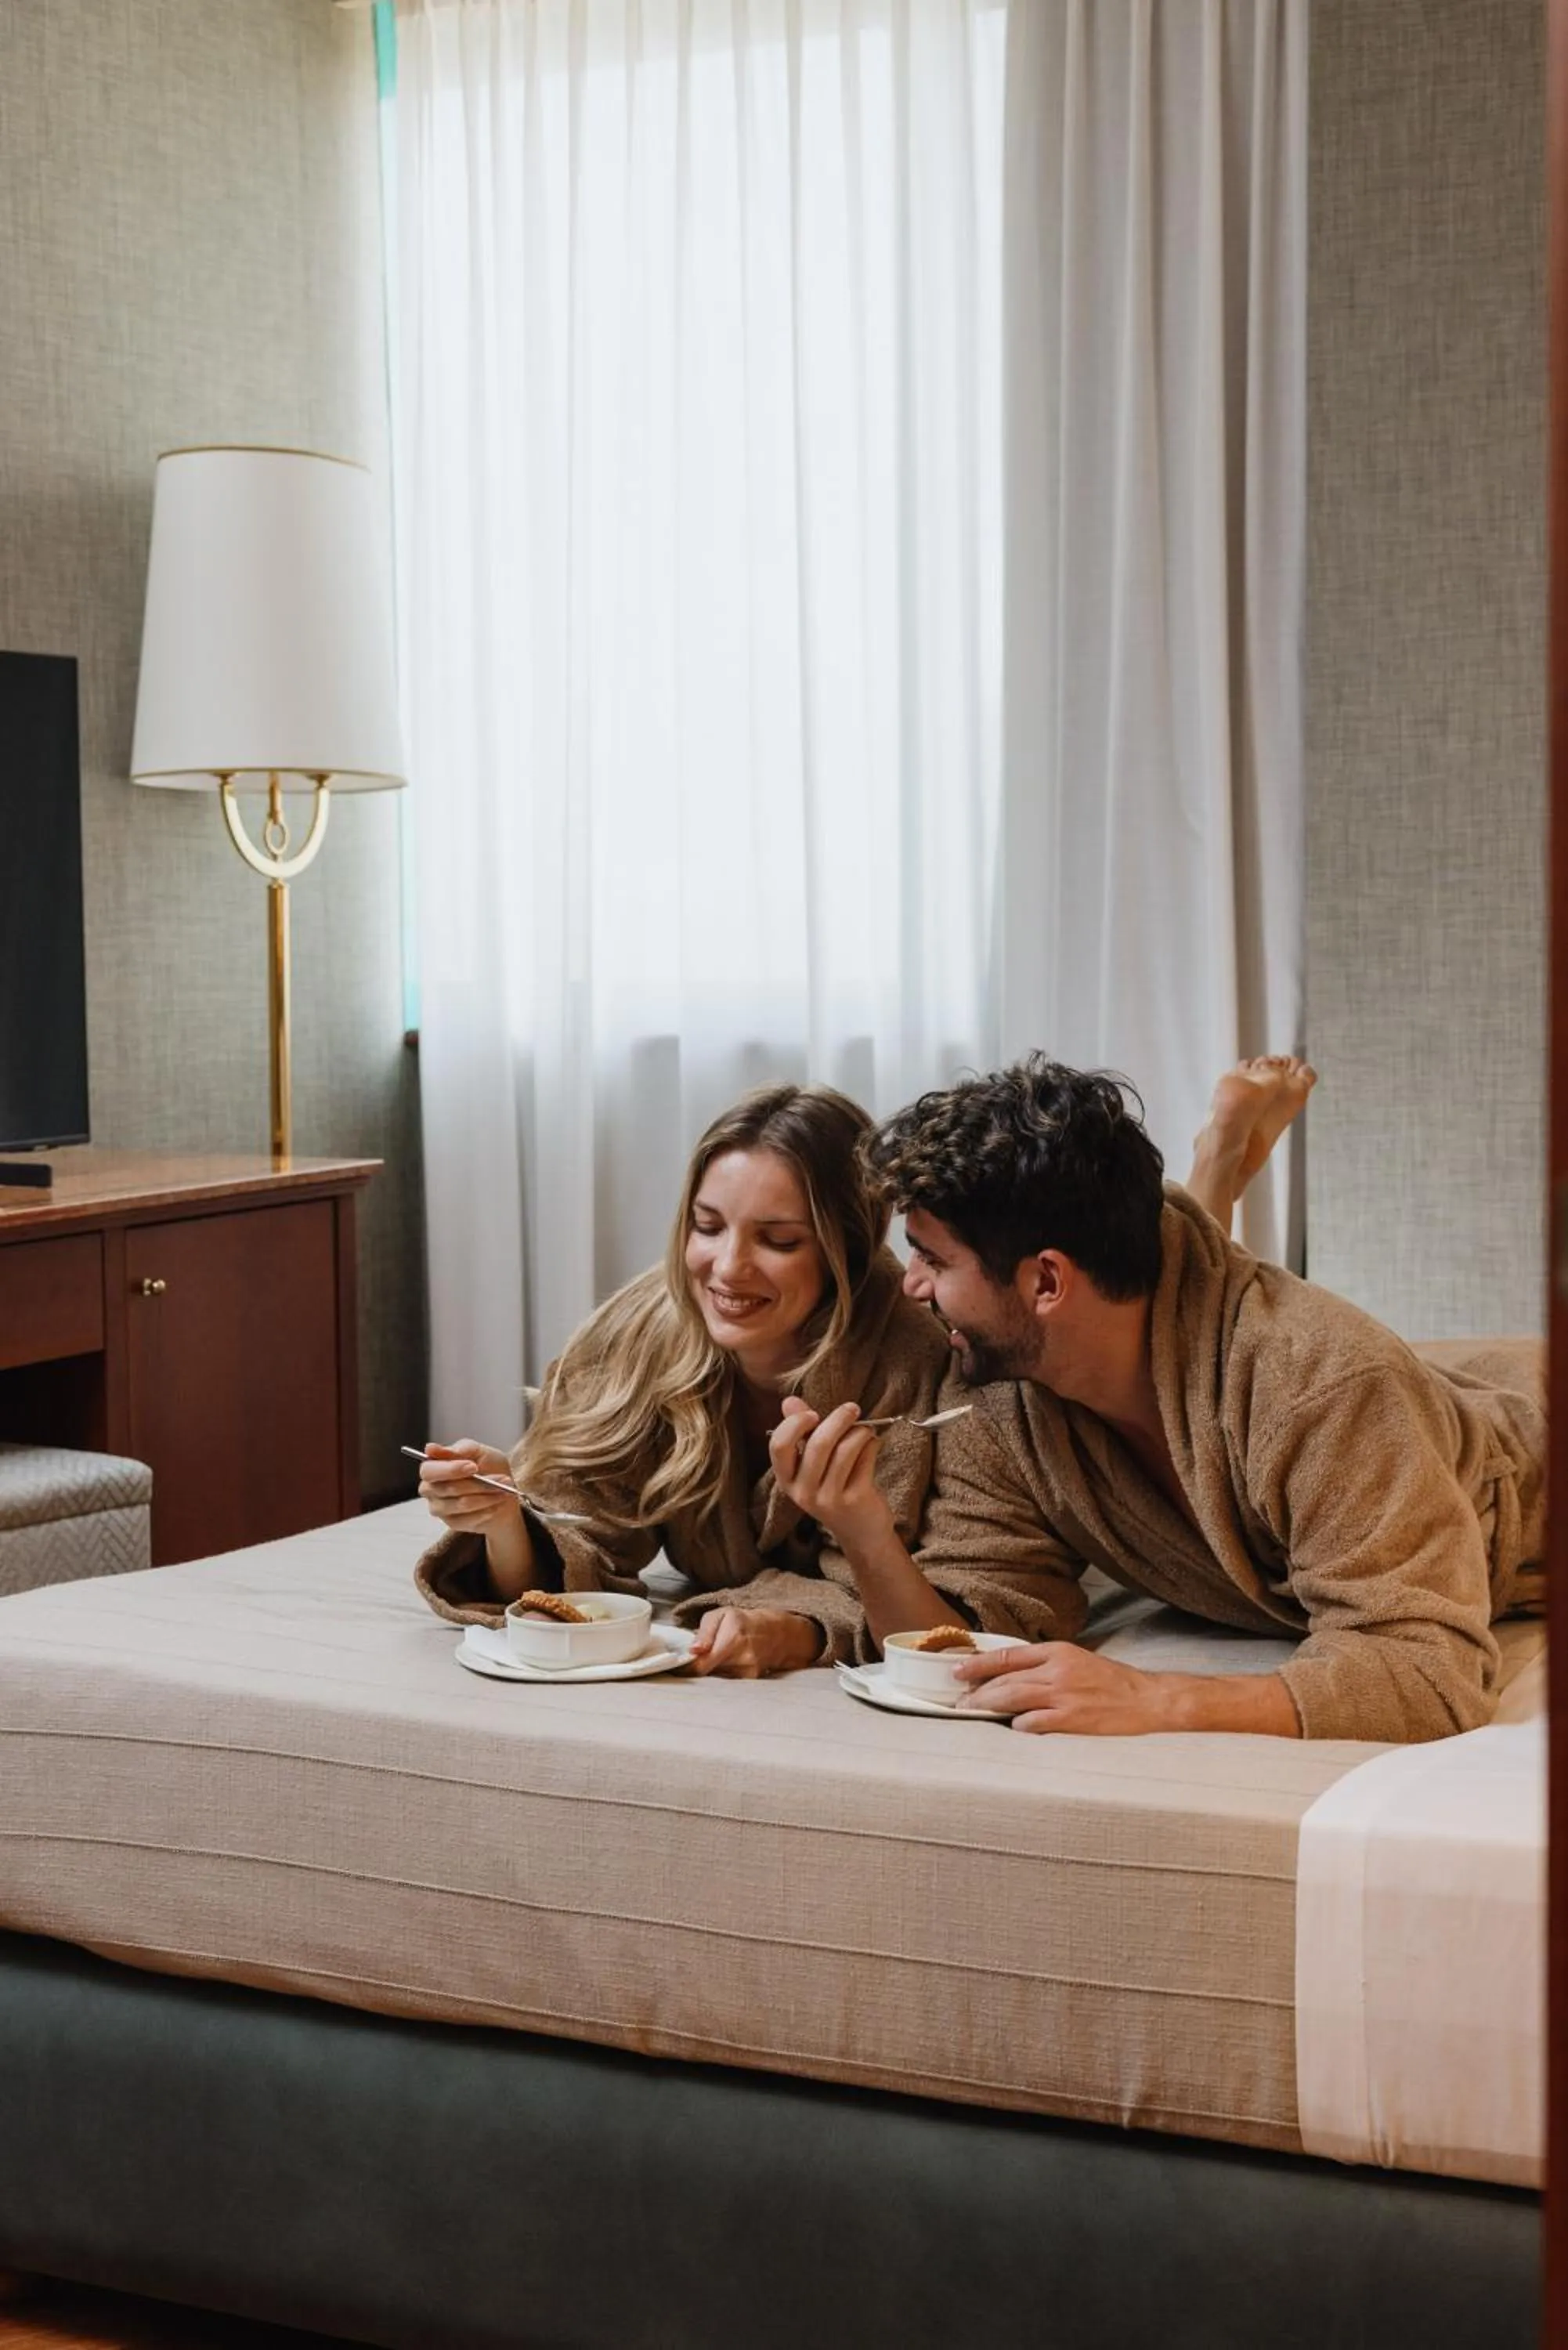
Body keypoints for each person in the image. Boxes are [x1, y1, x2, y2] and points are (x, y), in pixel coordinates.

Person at [415, 1064, 1313, 1675]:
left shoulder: (941, 1350)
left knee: (1140, 1296)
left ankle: (1210, 1175)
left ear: (846, 1251)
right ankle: (1215, 1173)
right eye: (706, 1224)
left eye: (777, 1241)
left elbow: (980, 1597)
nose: (725, 1269)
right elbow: (573, 1542)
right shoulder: (642, 1335)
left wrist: (807, 1626)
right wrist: (502, 1520)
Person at [770, 1054, 1544, 1741]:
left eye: (931, 1260)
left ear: (1044, 1281)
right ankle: (1221, 1157)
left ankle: (1222, 1155)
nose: (909, 1289)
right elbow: (965, 1639)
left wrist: (1162, 1698)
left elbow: (1426, 1673)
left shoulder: (1321, 1382)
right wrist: (862, 1529)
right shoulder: (1004, 1390)